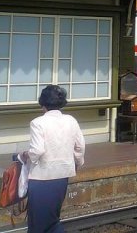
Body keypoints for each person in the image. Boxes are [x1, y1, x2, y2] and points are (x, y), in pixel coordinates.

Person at [20, 85, 85, 233]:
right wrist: (78, 163)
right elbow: (80, 146)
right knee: (53, 218)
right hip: (62, 175)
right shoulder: (71, 120)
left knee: (37, 222)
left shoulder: (38, 122)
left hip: (41, 177)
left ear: (42, 103)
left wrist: (26, 156)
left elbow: (37, 150)